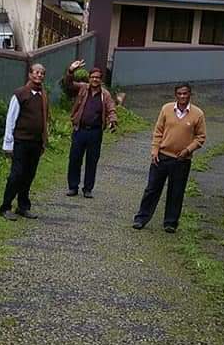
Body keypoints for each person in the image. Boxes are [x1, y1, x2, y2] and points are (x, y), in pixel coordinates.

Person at [132, 82, 205, 233]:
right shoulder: (166, 109)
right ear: (175, 95)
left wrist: (188, 150)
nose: (182, 96)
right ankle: (141, 218)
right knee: (152, 189)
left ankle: (170, 222)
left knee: (176, 192)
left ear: (190, 94)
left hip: (182, 160)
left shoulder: (198, 114)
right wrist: (155, 150)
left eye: (185, 94)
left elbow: (201, 137)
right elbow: (158, 131)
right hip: (163, 156)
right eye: (179, 94)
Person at [0, 63, 49, 221]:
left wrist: (43, 141)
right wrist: (8, 143)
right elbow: (11, 119)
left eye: (42, 73)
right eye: (36, 72)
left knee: (29, 175)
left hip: (35, 143)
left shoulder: (43, 95)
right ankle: (5, 207)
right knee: (16, 174)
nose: (39, 75)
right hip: (20, 141)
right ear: (30, 75)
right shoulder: (20, 94)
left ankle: (23, 206)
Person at [63, 59, 118, 198]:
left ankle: (88, 189)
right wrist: (71, 71)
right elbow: (68, 85)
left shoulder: (105, 95)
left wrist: (113, 120)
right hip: (79, 130)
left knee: (92, 161)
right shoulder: (82, 88)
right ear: (89, 78)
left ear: (101, 80)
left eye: (97, 78)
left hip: (95, 132)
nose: (95, 80)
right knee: (75, 159)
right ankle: (73, 187)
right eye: (92, 77)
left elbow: (111, 108)